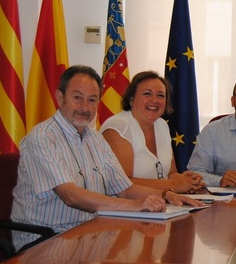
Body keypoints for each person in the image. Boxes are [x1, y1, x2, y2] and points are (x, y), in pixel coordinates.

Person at [11, 65, 202, 251]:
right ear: (60, 98)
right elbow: (70, 195)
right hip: (47, 239)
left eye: (92, 100)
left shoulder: (94, 139)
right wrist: (136, 206)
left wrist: (165, 195)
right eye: (78, 98)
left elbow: (124, 188)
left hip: (90, 233)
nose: (85, 107)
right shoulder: (43, 138)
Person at [101, 71, 205, 194]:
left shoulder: (162, 125)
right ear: (131, 98)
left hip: (159, 204)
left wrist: (188, 181)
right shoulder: (118, 127)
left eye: (161, 95)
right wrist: (173, 185)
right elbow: (122, 183)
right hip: (124, 208)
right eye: (147, 94)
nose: (154, 100)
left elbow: (170, 173)